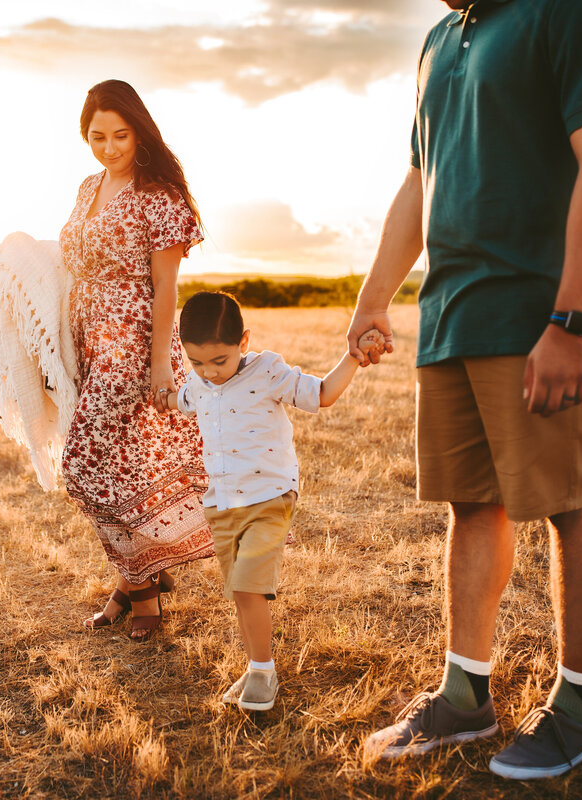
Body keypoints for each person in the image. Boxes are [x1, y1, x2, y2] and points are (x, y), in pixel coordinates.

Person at [348, 0, 582, 780]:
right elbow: (421, 180)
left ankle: (578, 710)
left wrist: (573, 319)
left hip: (538, 314)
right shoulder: (440, 39)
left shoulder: (580, 10)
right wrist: (375, 296)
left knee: (569, 500)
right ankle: (463, 698)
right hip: (453, 309)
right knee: (473, 502)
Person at [165, 291, 379, 710]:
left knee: (249, 588)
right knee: (241, 593)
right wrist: (161, 395)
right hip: (222, 504)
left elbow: (322, 394)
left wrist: (354, 357)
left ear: (243, 342)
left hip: (269, 498)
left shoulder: (268, 371)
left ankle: (264, 671)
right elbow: (183, 401)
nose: (209, 372)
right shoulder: (199, 383)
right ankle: (254, 665)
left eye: (219, 361)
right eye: (197, 363)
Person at [59, 79, 214, 642]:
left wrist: (158, 365)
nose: (108, 147)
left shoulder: (159, 197)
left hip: (134, 344)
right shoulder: (87, 187)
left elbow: (166, 291)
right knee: (119, 468)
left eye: (120, 134)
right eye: (96, 136)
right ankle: (134, 579)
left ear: (139, 131)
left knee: (87, 465)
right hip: (89, 343)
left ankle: (140, 593)